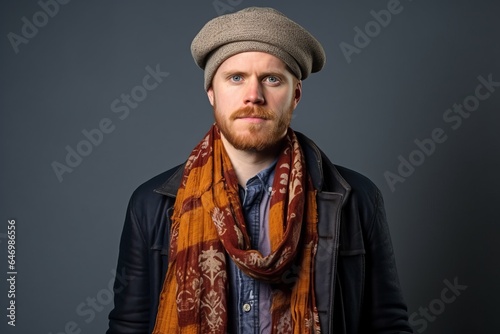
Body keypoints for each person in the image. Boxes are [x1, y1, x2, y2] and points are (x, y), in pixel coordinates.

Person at [107, 6, 413, 334]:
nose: (253, 96)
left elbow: (388, 325)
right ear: (212, 92)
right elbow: (129, 326)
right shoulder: (152, 205)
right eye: (236, 77)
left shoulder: (356, 200)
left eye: (271, 79)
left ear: (295, 95)